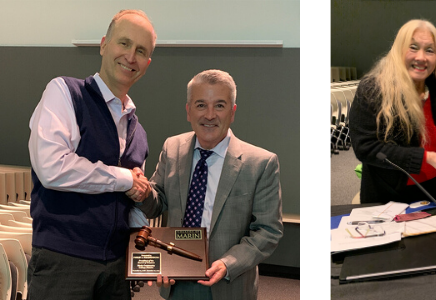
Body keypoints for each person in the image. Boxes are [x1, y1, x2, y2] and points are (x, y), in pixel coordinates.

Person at [27, 9, 156, 300]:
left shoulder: (140, 132)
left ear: (147, 64)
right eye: (124, 43)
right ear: (103, 45)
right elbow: (52, 168)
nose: (130, 56)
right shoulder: (65, 93)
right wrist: (125, 179)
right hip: (63, 262)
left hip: (115, 268)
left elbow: (131, 208)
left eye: (141, 51)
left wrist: (145, 252)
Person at [138, 69, 283, 299]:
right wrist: (143, 193)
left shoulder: (261, 163)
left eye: (219, 105)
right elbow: (157, 204)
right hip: (175, 280)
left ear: (232, 112)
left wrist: (228, 264)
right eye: (200, 105)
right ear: (188, 111)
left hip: (228, 283)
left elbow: (268, 231)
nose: (209, 115)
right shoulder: (172, 148)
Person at [349, 20, 436, 204]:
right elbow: (366, 147)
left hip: (433, 195)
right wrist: (424, 158)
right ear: (399, 50)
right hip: (388, 199)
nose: (421, 57)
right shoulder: (373, 89)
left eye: (429, 50)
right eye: (413, 47)